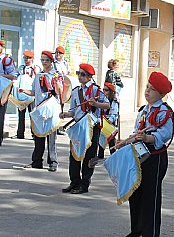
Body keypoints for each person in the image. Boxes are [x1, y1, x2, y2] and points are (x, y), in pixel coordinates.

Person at [120, 72, 174, 237]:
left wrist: (147, 138)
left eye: (152, 89)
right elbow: (137, 131)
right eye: (147, 88)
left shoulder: (164, 111)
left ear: (161, 94)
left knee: (151, 194)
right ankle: (137, 229)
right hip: (139, 154)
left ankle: (150, 235)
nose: (147, 92)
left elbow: (165, 134)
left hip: (154, 157)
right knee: (135, 192)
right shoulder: (144, 110)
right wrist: (124, 142)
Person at [60, 63, 112, 194]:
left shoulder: (95, 90)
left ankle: (84, 184)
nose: (80, 76)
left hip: (92, 127)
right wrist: (66, 114)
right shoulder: (75, 91)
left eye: (83, 74)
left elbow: (107, 105)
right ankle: (74, 182)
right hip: (78, 126)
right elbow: (74, 111)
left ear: (89, 77)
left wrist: (96, 104)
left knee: (89, 156)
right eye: (79, 73)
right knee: (74, 154)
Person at [19, 51, 62, 171]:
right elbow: (34, 92)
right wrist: (23, 91)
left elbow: (59, 92)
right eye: (42, 60)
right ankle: (36, 161)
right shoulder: (38, 76)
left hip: (51, 109)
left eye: (46, 60)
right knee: (38, 136)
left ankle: (53, 162)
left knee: (51, 137)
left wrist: (57, 82)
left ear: (51, 62)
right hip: (39, 108)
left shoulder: (56, 75)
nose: (44, 62)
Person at [14, 50, 41, 139]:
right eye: (25, 58)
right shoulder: (21, 68)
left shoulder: (36, 68)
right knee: (21, 114)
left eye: (29, 58)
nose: (27, 60)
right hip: (22, 94)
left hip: (31, 95)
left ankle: (34, 133)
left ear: (32, 58)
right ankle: (20, 133)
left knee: (33, 114)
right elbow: (15, 77)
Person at [96, 82, 120, 160]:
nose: (104, 92)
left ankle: (113, 155)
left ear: (111, 92)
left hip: (110, 123)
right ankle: (100, 155)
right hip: (102, 121)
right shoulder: (101, 99)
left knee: (111, 140)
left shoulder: (114, 101)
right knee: (101, 138)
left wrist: (110, 119)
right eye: (103, 90)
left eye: (106, 90)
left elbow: (114, 113)